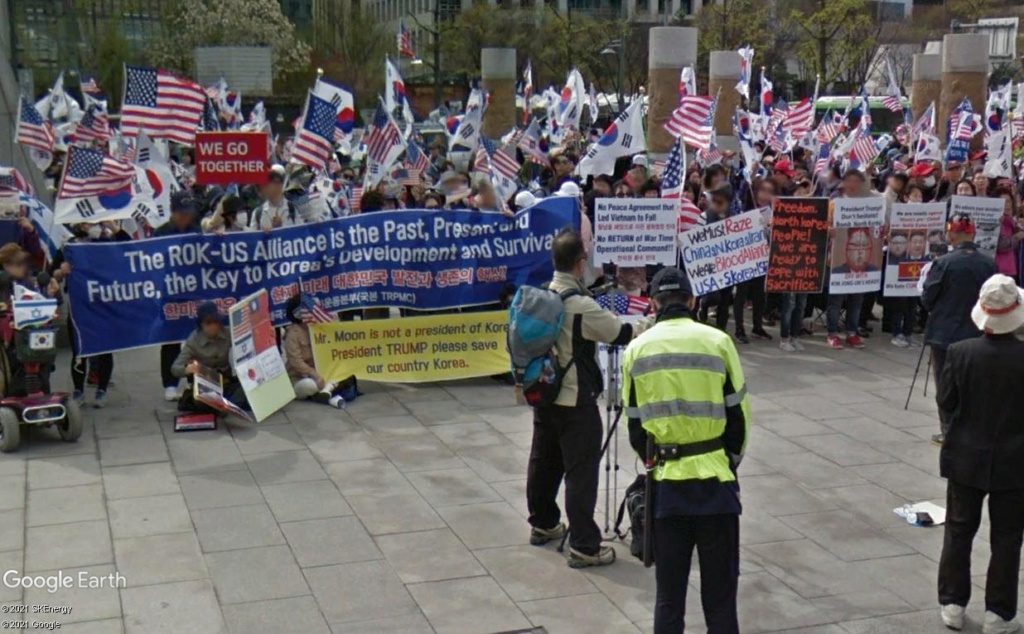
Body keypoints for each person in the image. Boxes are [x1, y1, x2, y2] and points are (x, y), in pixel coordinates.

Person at [622, 266, 749, 634]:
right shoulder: (718, 342)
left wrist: (656, 459)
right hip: (715, 485)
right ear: (692, 300)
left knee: (669, 597)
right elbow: (739, 418)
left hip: (667, 489)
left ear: (653, 302)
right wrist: (727, 461)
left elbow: (634, 426)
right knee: (721, 599)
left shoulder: (636, 350)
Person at [526, 228, 647, 568]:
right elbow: (620, 333)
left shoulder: (541, 296)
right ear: (580, 264)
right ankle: (583, 544)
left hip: (545, 393)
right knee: (581, 472)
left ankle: (543, 523)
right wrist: (651, 321)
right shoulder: (580, 305)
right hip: (575, 400)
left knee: (544, 461)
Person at [936, 274, 1024, 634]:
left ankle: (953, 604)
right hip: (1015, 460)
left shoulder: (960, 353)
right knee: (1007, 536)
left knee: (959, 530)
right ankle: (997, 614)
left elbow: (947, 403)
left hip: (966, 456)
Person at [921, 214, 997, 445]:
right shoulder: (988, 263)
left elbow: (928, 298)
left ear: (952, 234)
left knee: (946, 385)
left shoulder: (944, 262)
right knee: (974, 385)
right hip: (978, 332)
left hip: (945, 334)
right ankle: (973, 429)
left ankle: (948, 430)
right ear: (973, 234)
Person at [155, 192, 202, 401]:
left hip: (194, 293)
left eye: (189, 213)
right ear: (173, 212)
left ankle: (195, 380)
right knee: (171, 339)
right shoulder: (161, 233)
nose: (186, 217)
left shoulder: (197, 231)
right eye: (182, 213)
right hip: (171, 294)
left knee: (197, 339)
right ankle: (170, 383)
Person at [171, 301, 247, 412]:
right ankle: (223, 406)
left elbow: (246, 338)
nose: (213, 326)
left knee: (247, 389)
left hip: (226, 380)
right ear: (201, 324)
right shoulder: (194, 340)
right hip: (206, 383)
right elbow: (175, 368)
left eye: (216, 322)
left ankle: (228, 406)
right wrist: (187, 369)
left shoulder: (227, 333)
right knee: (201, 402)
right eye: (208, 323)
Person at [283, 295, 347, 409]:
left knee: (344, 371)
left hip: (322, 374)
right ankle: (327, 391)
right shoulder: (292, 334)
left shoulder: (318, 328)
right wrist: (314, 374)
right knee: (309, 385)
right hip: (299, 378)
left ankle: (325, 392)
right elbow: (296, 362)